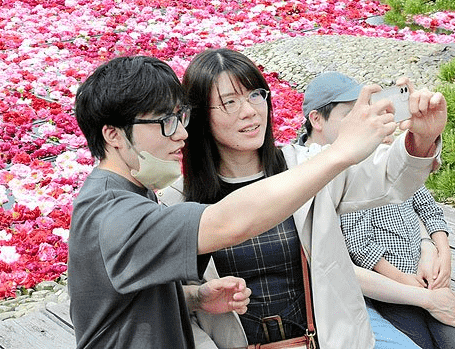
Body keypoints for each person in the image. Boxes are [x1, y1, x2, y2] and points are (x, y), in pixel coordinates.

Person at [68, 54, 413, 349]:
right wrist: (340, 152)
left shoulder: (133, 195)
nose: (181, 134)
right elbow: (230, 223)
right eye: (166, 122)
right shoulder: (115, 213)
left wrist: (197, 298)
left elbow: (134, 301)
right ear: (113, 134)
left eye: (181, 118)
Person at [162, 49, 445, 349]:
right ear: (199, 115)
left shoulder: (306, 166)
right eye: (230, 102)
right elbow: (176, 306)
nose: (249, 111)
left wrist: (423, 138)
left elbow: (389, 178)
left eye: (256, 94)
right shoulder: (178, 201)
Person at [301, 72, 455, 348]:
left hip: (420, 276)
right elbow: (356, 249)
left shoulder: (363, 152)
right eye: (350, 114)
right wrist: (419, 290)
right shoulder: (309, 173)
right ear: (316, 119)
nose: (363, 120)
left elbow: (415, 195)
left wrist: (434, 249)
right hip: (380, 294)